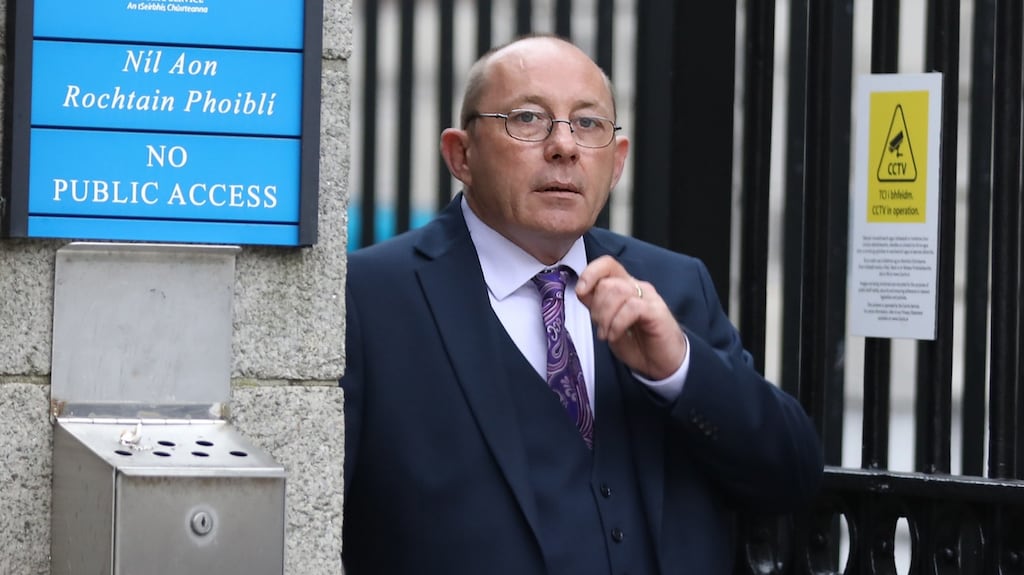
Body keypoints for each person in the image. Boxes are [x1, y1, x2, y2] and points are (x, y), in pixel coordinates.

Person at [341, 34, 823, 575]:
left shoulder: (672, 283)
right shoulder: (371, 297)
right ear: (461, 154)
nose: (564, 146)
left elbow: (793, 475)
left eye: (588, 124)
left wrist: (679, 370)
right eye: (527, 118)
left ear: (616, 163)